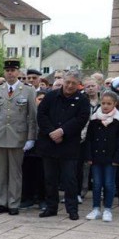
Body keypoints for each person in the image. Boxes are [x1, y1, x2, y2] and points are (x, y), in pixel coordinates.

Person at [0, 59, 38, 215]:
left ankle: (14, 203)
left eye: (13, 70)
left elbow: (32, 116)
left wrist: (31, 137)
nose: (10, 73)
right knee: (1, 172)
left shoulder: (28, 90)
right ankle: (2, 202)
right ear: (4, 72)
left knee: (15, 173)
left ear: (18, 72)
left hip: (18, 137)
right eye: (7, 70)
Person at [36, 70, 91, 220]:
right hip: (49, 143)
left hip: (69, 146)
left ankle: (72, 209)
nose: (70, 85)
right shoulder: (51, 96)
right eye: (67, 82)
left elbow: (81, 119)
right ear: (64, 81)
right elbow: (41, 115)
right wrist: (52, 132)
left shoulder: (82, 100)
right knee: (50, 179)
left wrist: (62, 131)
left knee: (70, 179)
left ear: (78, 84)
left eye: (73, 83)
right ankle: (51, 207)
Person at [84, 91, 119, 221]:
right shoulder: (94, 119)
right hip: (96, 157)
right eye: (103, 103)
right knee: (97, 184)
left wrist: (117, 158)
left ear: (115, 104)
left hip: (111, 158)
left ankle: (108, 209)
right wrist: (89, 156)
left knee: (109, 184)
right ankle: (96, 208)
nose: (105, 106)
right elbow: (89, 139)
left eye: (109, 103)